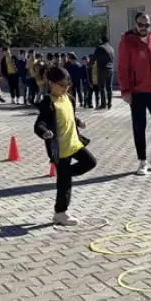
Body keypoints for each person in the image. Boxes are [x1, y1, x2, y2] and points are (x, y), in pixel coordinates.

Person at [34, 66, 97, 226]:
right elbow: (39, 123)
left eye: (67, 84)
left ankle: (65, 175)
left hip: (74, 144)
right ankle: (60, 213)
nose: (65, 88)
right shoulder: (48, 102)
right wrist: (45, 132)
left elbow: (69, 116)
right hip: (60, 150)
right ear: (51, 83)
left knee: (90, 162)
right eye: (61, 85)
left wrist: (78, 122)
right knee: (64, 186)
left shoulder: (69, 98)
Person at [117, 12, 151, 176]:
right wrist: (125, 90)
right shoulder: (127, 41)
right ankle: (142, 162)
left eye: (146, 25)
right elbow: (122, 67)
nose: (143, 28)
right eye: (140, 24)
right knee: (139, 127)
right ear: (136, 24)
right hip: (137, 91)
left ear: (150, 25)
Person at [94, 37, 115, 109]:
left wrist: (89, 64)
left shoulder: (100, 48)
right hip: (111, 69)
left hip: (102, 69)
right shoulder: (111, 48)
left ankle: (103, 104)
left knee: (102, 87)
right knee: (109, 87)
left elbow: (94, 58)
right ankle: (109, 104)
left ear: (102, 40)